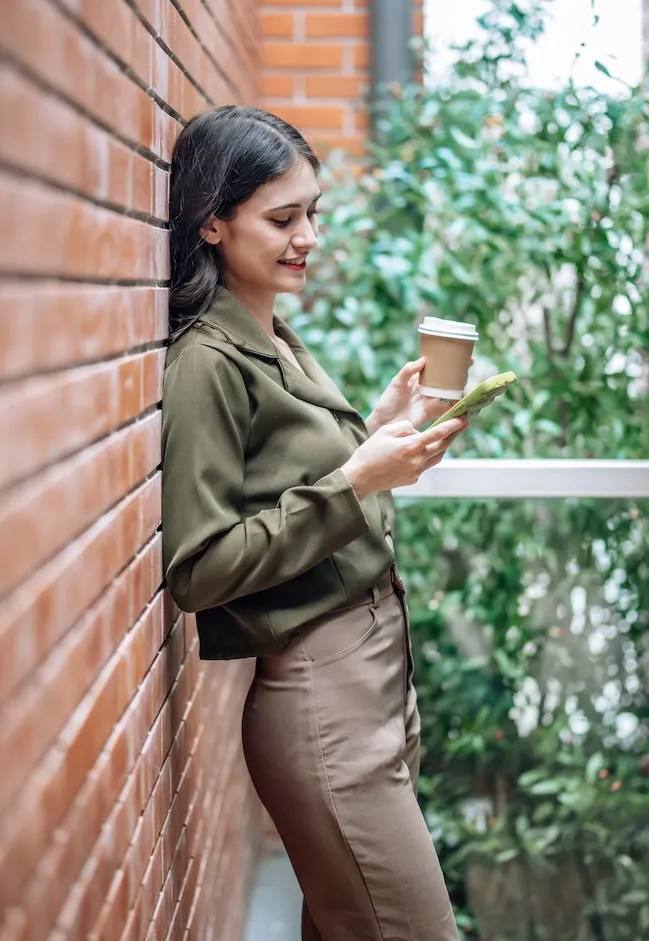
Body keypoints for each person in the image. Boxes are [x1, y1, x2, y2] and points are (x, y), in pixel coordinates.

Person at [160, 104, 466, 940]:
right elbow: (198, 568)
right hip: (322, 696)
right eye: (283, 217)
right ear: (212, 221)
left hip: (373, 685)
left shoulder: (271, 331)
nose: (308, 237)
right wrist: (360, 478)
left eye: (313, 213)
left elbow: (296, 481)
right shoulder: (206, 363)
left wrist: (377, 429)